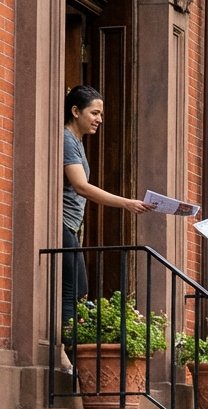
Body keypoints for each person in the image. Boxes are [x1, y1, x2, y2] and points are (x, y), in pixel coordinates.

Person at [62, 85, 153, 369]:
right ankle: (61, 352)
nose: (99, 118)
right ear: (75, 111)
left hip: (72, 227)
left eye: (101, 113)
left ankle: (68, 350)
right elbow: (81, 187)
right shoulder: (65, 139)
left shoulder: (76, 141)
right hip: (62, 225)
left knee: (78, 288)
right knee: (72, 290)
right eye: (94, 112)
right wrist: (126, 203)